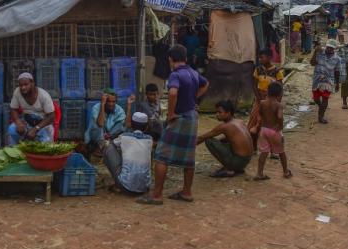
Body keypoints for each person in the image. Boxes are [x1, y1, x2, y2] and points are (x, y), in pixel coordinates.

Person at [137, 45, 208, 205]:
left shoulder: (175, 75)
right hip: (192, 118)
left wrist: (170, 113)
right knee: (189, 157)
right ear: (186, 58)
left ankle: (156, 195)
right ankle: (187, 192)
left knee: (161, 155)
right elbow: (206, 84)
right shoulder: (193, 73)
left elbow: (173, 92)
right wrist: (193, 99)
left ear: (170, 60)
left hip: (180, 118)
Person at [197, 100, 253, 178]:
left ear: (228, 113)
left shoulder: (225, 126)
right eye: (216, 112)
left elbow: (202, 137)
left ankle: (229, 169)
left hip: (239, 161)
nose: (217, 114)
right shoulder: (239, 121)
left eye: (220, 112)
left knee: (209, 140)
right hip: (246, 160)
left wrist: (187, 147)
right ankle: (236, 167)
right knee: (222, 140)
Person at [103, 112, 153, 194]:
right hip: (144, 187)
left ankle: (117, 183)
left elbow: (113, 144)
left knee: (109, 148)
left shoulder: (124, 136)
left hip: (126, 186)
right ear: (146, 127)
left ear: (131, 125)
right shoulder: (149, 140)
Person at [254, 82, 292, 180]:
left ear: (268, 92)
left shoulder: (262, 103)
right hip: (274, 131)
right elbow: (279, 117)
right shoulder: (278, 105)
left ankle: (259, 173)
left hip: (264, 130)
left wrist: (260, 122)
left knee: (264, 152)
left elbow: (258, 113)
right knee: (281, 152)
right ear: (279, 94)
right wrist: (280, 125)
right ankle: (286, 172)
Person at [248, 48, 285, 149]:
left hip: (272, 100)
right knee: (255, 122)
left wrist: (277, 103)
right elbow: (255, 85)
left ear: (269, 57)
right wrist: (259, 99)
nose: (260, 59)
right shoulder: (258, 70)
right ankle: (254, 147)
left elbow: (280, 88)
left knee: (271, 124)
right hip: (259, 99)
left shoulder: (277, 71)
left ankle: (274, 150)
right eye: (259, 58)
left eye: (262, 57)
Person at [7, 73, 55, 144]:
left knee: (45, 144)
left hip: (43, 125)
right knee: (11, 129)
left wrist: (36, 129)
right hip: (27, 122)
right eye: (20, 85)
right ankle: (15, 151)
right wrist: (18, 123)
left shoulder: (44, 95)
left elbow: (51, 116)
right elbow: (13, 109)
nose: (23, 87)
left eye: (26, 84)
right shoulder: (17, 92)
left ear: (32, 83)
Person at [310, 39, 342, 125]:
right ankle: (321, 107)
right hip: (317, 80)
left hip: (328, 81)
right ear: (326, 46)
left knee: (325, 98)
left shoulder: (337, 59)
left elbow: (337, 71)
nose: (329, 49)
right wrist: (315, 52)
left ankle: (321, 117)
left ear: (334, 49)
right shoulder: (319, 53)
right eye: (328, 47)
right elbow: (312, 63)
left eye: (331, 48)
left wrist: (337, 84)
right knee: (316, 99)